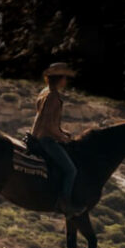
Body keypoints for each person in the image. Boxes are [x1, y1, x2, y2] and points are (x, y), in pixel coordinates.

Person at [28, 60, 79, 205]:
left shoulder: (44, 92)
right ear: (60, 79)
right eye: (65, 78)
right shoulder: (53, 97)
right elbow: (49, 125)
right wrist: (63, 137)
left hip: (38, 134)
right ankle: (64, 202)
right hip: (46, 139)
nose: (66, 81)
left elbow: (46, 119)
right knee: (71, 171)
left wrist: (62, 131)